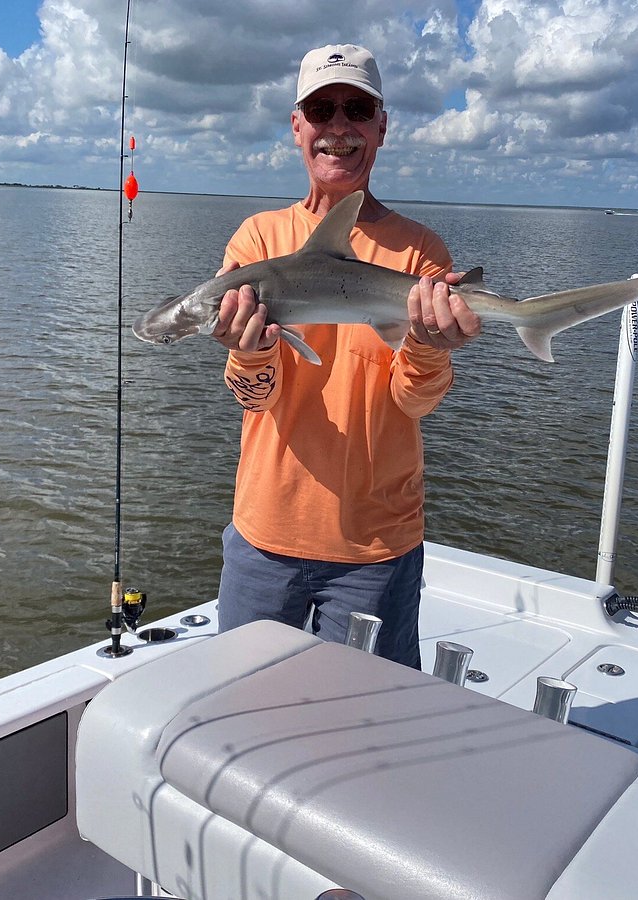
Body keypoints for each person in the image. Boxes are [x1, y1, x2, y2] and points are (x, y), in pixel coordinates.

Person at [212, 43, 481, 667]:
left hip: (375, 548)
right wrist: (249, 357)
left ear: (381, 127)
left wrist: (429, 347)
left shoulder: (418, 253)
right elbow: (252, 399)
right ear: (297, 125)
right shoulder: (259, 241)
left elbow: (413, 400)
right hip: (265, 537)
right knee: (243, 710)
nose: (338, 126)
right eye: (321, 108)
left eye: (356, 108)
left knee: (365, 724)